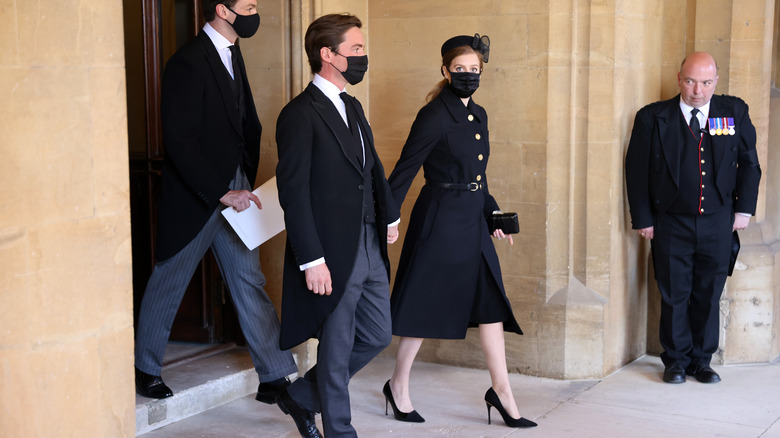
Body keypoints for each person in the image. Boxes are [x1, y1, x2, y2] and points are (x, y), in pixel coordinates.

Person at [133, 0, 297, 403]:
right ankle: (146, 369)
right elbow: (180, 139)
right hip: (200, 194)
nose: (255, 12)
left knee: (248, 279)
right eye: (249, 5)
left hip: (236, 189)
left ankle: (274, 374)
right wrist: (220, 190)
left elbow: (244, 125)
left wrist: (242, 178)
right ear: (223, 10)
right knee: (169, 279)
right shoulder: (187, 61)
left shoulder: (232, 52)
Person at [383, 34, 537, 429]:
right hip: (439, 221)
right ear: (445, 70)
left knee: (490, 307)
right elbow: (404, 170)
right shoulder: (434, 115)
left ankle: (502, 393)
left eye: (474, 70)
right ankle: (397, 385)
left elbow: (477, 176)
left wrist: (494, 213)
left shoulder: (479, 114)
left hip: (472, 221)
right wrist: (388, 217)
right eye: (460, 70)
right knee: (420, 304)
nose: (467, 76)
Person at [273, 13, 401, 438]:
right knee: (338, 343)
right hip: (330, 250)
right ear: (328, 55)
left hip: (368, 241)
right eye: (357, 49)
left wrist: (389, 213)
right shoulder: (299, 115)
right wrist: (312, 259)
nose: (364, 57)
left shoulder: (352, 105)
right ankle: (340, 431)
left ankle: (303, 397)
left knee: (378, 333)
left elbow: (371, 167)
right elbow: (293, 194)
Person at [625, 52, 761, 384]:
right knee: (673, 292)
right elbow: (636, 170)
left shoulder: (733, 113)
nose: (697, 90)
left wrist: (743, 210)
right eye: (690, 81)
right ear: (678, 78)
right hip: (670, 221)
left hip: (718, 220)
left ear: (715, 81)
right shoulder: (653, 117)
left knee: (708, 292)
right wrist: (643, 218)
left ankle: (701, 360)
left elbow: (749, 163)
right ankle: (675, 361)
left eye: (705, 82)